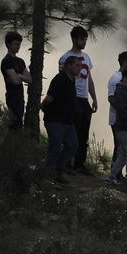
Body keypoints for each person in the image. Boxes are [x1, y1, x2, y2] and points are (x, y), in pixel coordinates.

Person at [58, 26, 97, 174]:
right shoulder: (65, 58)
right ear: (74, 39)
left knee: (84, 134)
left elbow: (90, 80)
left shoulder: (86, 57)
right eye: (82, 39)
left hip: (84, 99)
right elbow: (61, 80)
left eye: (85, 39)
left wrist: (94, 98)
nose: (84, 42)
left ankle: (80, 164)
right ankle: (66, 163)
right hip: (72, 98)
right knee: (70, 132)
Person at [41, 56, 81, 184]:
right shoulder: (59, 79)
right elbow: (49, 98)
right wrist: (43, 107)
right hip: (55, 120)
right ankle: (48, 176)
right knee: (55, 147)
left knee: (73, 145)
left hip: (67, 121)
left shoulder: (72, 80)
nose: (79, 68)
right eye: (76, 65)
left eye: (79, 66)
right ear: (68, 65)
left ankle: (59, 171)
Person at [107, 67, 127, 186]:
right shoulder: (122, 90)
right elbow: (122, 108)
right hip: (126, 127)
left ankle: (111, 177)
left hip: (123, 126)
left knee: (123, 154)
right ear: (123, 78)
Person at [0, 31, 31, 130]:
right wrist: (21, 77)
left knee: (19, 124)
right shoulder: (6, 61)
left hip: (20, 97)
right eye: (16, 44)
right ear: (8, 44)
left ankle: (16, 143)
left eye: (19, 44)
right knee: (14, 125)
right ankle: (11, 144)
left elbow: (30, 79)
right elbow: (15, 81)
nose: (18, 47)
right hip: (12, 97)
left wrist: (19, 76)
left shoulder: (20, 61)